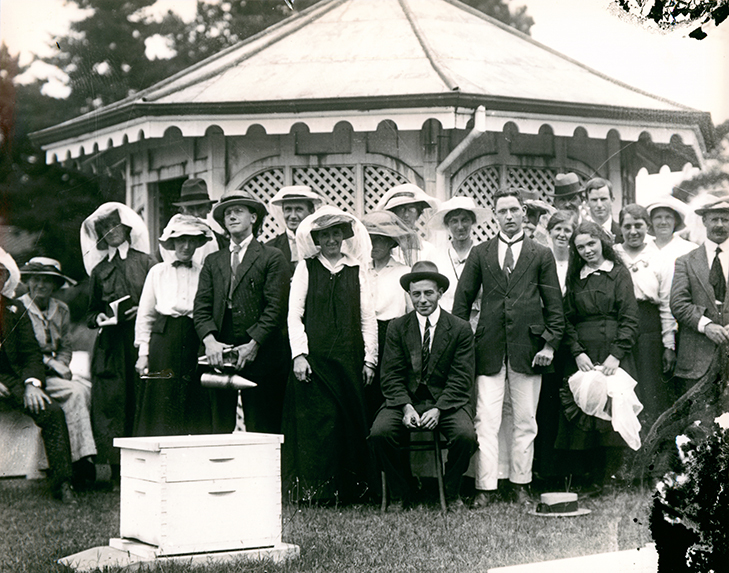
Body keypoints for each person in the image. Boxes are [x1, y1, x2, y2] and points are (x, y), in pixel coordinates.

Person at [453, 188, 564, 507]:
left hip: (529, 349)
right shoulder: (481, 253)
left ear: (524, 214)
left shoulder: (540, 253)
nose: (510, 216)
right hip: (487, 349)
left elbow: (554, 307)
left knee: (526, 419)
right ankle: (485, 487)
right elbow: (461, 304)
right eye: (503, 211)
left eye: (515, 210)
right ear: (495, 215)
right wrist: (463, 346)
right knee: (485, 418)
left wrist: (549, 345)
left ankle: (520, 484)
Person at [283, 206, 377, 504]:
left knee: (346, 424)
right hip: (315, 361)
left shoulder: (356, 269)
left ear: (344, 237)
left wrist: (369, 359)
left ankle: (349, 493)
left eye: (337, 233)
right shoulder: (306, 268)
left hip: (348, 361)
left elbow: (367, 318)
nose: (332, 239)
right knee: (316, 427)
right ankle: (315, 493)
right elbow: (294, 315)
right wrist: (299, 355)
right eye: (326, 234)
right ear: (318, 239)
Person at [369, 261, 477, 510]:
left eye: (429, 293)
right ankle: (401, 491)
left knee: (465, 436)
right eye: (416, 294)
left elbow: (461, 378)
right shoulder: (397, 327)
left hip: (446, 402)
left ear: (440, 292)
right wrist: (406, 407)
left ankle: (450, 492)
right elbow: (391, 375)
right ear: (409, 295)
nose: (423, 300)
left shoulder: (460, 328)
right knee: (380, 434)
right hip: (404, 402)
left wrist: (439, 409)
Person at [194, 190, 290, 434]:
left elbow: (276, 308)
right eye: (227, 213)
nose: (232, 216)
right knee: (217, 428)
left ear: (254, 218)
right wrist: (210, 341)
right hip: (219, 352)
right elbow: (201, 307)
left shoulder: (272, 257)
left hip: (262, 352)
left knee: (263, 427)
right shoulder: (213, 260)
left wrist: (253, 344)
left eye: (239, 211)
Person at [555, 221, 639, 493]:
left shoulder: (619, 274)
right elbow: (566, 319)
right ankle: (587, 477)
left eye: (591, 244)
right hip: (584, 353)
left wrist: (616, 355)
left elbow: (629, 317)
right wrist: (577, 351)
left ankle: (610, 478)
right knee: (583, 413)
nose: (587, 250)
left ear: (602, 241)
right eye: (580, 247)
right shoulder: (575, 277)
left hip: (613, 350)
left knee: (611, 411)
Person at [82, 203, 154, 478]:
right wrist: (99, 317)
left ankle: (141, 466)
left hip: (139, 343)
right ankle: (114, 470)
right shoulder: (99, 271)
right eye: (104, 228)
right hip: (111, 346)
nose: (110, 232)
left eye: (114, 225)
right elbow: (89, 313)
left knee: (141, 398)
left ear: (127, 228)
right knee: (111, 402)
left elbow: (159, 299)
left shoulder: (146, 262)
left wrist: (142, 310)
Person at [0, 249, 76, 503]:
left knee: (52, 412)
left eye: (1, 274)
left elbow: (31, 352)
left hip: (14, 380)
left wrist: (32, 384)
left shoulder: (14, 309)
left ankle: (63, 484)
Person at [134, 215, 214, 436]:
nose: (186, 246)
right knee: (161, 395)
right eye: (181, 241)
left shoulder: (204, 272)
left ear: (198, 243)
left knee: (193, 396)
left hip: (193, 337)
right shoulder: (158, 272)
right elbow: (146, 314)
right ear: (172, 243)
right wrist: (143, 353)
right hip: (164, 339)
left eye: (191, 241)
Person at [18, 257, 96, 484]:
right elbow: (20, 352)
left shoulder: (61, 309)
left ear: (55, 285)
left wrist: (61, 364)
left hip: (54, 374)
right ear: (28, 282)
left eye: (47, 281)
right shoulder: (18, 309)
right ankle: (79, 462)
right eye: (36, 280)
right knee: (76, 393)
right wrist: (50, 364)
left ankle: (78, 458)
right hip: (29, 374)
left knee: (87, 390)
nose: (41, 286)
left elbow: (66, 346)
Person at [614, 204, 676, 428]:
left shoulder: (659, 258)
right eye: (627, 226)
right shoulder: (613, 254)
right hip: (618, 326)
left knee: (650, 389)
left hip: (648, 325)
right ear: (620, 228)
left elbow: (668, 303)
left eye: (638, 225)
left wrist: (669, 344)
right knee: (623, 388)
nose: (633, 231)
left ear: (647, 227)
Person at [532, 210, 577, 485]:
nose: (562, 234)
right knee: (545, 405)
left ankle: (568, 471)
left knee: (570, 405)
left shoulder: (577, 263)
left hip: (572, 343)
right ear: (548, 232)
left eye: (567, 230)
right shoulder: (539, 259)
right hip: (544, 340)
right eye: (557, 229)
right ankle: (544, 470)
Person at [670, 197, 729, 407]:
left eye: (725, 219)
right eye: (714, 219)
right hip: (697, 358)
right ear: (704, 221)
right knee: (699, 427)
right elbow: (677, 303)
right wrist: (707, 326)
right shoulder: (686, 261)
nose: (720, 225)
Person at [362, 210, 414, 422]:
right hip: (364, 338)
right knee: (365, 398)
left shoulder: (403, 272)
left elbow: (411, 313)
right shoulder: (360, 270)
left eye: (380, 240)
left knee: (390, 397)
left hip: (392, 339)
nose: (374, 245)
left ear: (392, 243)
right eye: (370, 239)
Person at [429, 196, 490, 320]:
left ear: (472, 221)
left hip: (476, 320)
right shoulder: (437, 255)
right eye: (454, 221)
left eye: (465, 220)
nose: (460, 226)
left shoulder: (484, 253)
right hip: (444, 319)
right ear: (447, 224)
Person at [376, 183, 439, 265]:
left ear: (418, 214)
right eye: (401, 209)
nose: (406, 215)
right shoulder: (383, 248)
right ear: (393, 214)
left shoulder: (427, 250)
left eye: (411, 209)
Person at [267, 185, 323, 275]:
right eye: (288, 209)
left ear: (312, 211)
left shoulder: (322, 244)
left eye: (298, 209)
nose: (292, 216)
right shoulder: (270, 247)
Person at [169, 178, 226, 264]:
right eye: (190, 209)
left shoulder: (221, 242)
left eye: (200, 208)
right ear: (182, 210)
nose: (195, 214)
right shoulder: (170, 241)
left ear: (209, 208)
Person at [646, 196, 697, 268]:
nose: (663, 222)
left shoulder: (690, 249)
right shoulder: (643, 249)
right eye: (658, 217)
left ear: (675, 221)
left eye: (668, 217)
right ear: (651, 222)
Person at [584, 178, 623, 243]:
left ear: (612, 200)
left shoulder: (623, 232)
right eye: (594, 200)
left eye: (603, 199)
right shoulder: (580, 234)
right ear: (587, 202)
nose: (599, 205)